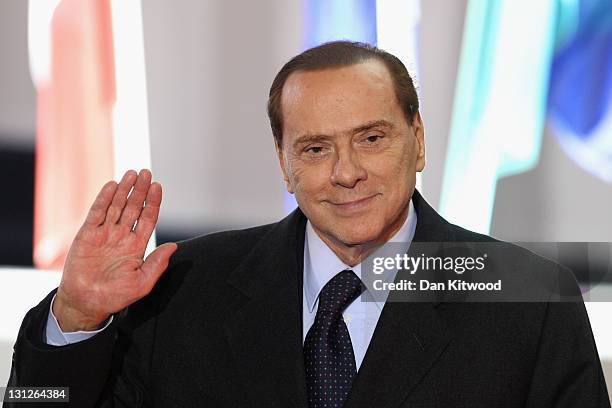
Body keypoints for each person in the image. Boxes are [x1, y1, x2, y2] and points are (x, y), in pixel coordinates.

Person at [5, 41, 610, 407]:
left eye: (372, 139)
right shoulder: (182, 287)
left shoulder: (529, 299)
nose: (346, 173)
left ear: (417, 141)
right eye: (316, 149)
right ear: (284, 163)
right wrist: (77, 320)